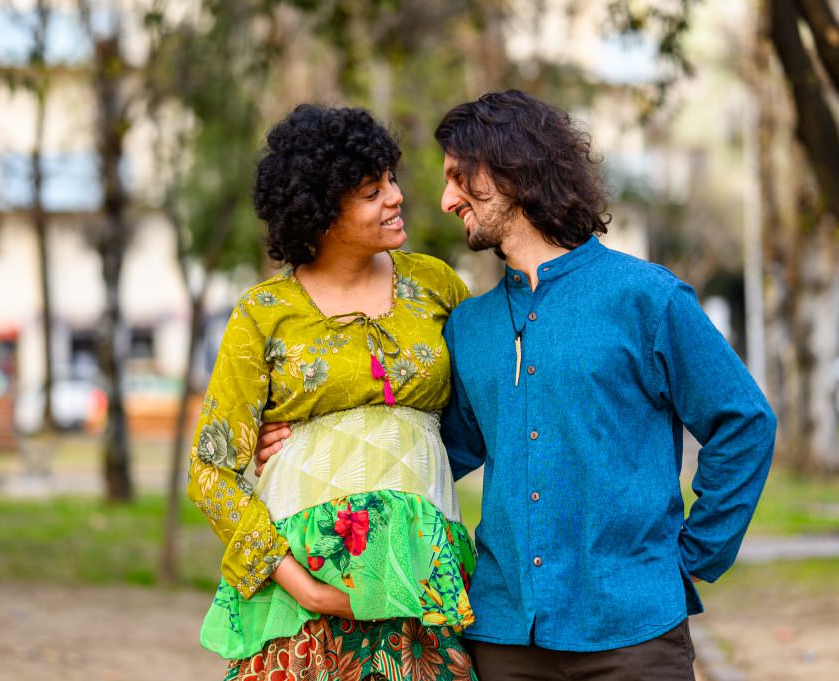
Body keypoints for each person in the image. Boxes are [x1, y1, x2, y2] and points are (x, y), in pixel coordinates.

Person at [258, 90, 777, 681]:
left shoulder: (646, 298)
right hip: (503, 637)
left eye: (459, 178)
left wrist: (694, 556)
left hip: (632, 635)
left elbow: (744, 423)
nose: (447, 200)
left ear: (512, 169)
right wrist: (303, 448)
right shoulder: (470, 326)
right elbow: (431, 450)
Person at [188, 103, 478, 681]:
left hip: (418, 591)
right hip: (305, 608)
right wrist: (305, 588)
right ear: (320, 214)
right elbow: (210, 472)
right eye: (372, 192)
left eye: (390, 179)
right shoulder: (264, 314)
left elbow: (483, 415)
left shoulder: (436, 286)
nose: (396, 197)